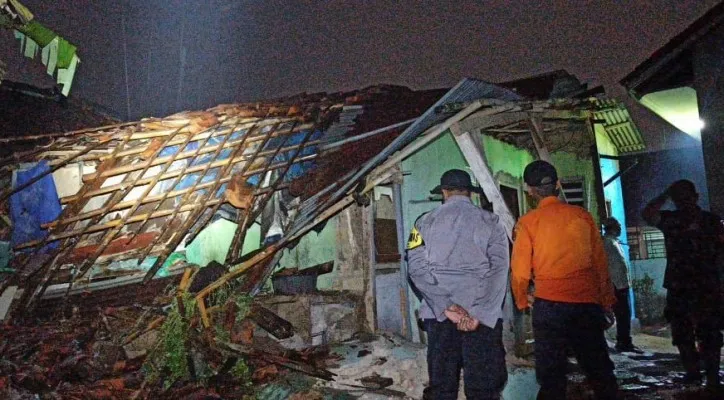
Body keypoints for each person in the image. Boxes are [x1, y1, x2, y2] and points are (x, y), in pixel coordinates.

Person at [511, 160, 618, 400]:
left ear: (529, 190)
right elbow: (600, 264)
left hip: (549, 306)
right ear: (558, 184)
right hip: (585, 305)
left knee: (551, 376)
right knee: (599, 368)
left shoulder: (528, 223)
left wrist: (521, 299)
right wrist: (606, 300)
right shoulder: (583, 217)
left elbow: (519, 271)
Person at [407, 169, 509, 400]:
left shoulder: (421, 223)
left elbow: (415, 268)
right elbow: (499, 270)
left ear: (443, 192)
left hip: (439, 315)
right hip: (482, 316)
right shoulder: (492, 222)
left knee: (442, 386)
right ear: (470, 193)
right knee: (484, 387)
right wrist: (479, 313)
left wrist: (446, 307)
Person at [642, 180, 724, 388]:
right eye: (679, 198)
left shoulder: (711, 221)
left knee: (709, 333)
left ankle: (710, 375)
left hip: (704, 285)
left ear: (695, 197)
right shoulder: (672, 219)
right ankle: (695, 373)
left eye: (685, 197)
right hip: (684, 285)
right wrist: (665, 195)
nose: (683, 202)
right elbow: (647, 214)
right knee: (683, 333)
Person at [602, 217, 643, 354]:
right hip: (616, 285)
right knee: (622, 314)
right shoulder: (607, 243)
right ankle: (623, 342)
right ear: (612, 227)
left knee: (624, 315)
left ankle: (624, 341)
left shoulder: (614, 242)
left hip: (621, 284)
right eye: (618, 226)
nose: (620, 228)